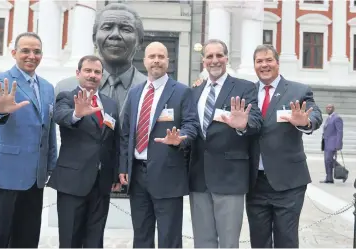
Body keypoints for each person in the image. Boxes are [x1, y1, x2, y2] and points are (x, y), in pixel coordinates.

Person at [0, 32, 57, 248]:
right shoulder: (0, 80)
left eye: (36, 51)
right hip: (4, 173)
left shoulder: (48, 88)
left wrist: (51, 165)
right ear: (14, 53)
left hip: (35, 178)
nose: (31, 56)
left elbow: (48, 129)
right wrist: (0, 110)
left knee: (27, 241)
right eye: (25, 50)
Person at [119, 41, 199, 248]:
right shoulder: (136, 92)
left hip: (168, 174)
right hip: (137, 175)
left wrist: (181, 138)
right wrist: (123, 167)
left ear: (168, 61)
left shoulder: (182, 91)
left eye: (161, 56)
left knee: (169, 237)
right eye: (152, 56)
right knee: (141, 235)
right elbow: (126, 132)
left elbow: (192, 124)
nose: (156, 60)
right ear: (144, 61)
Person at [187, 39, 262, 248]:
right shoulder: (194, 91)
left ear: (226, 59)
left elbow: (256, 122)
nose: (214, 60)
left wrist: (242, 125)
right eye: (209, 56)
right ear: (203, 61)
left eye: (219, 55)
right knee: (202, 242)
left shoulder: (244, 87)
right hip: (199, 177)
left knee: (229, 243)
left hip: (230, 177)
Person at [247, 44, 322, 248]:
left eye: (268, 60)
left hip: (288, 182)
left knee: (286, 239)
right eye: (259, 61)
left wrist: (305, 122)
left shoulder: (298, 90)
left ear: (278, 63)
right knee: (259, 240)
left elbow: (315, 115)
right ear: (254, 65)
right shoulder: (247, 91)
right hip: (254, 182)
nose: (264, 65)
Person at [47, 55, 121, 248]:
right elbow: (60, 116)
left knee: (95, 239)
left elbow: (113, 141)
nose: (92, 75)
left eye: (97, 72)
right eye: (88, 71)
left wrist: (114, 175)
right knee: (70, 239)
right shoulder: (66, 97)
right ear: (78, 73)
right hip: (73, 181)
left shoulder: (110, 104)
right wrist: (76, 114)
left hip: (101, 183)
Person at [54, 3, 146, 123]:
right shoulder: (65, 88)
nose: (115, 35)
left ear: (140, 42)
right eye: (107, 27)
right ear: (94, 39)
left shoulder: (149, 90)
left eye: (126, 29)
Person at [321, 103, 343, 183]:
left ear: (333, 108)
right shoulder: (328, 118)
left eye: (330, 107)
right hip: (326, 143)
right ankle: (329, 178)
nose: (328, 109)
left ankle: (343, 172)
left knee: (328, 160)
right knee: (327, 161)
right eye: (327, 107)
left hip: (333, 143)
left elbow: (339, 132)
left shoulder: (337, 118)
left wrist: (338, 144)